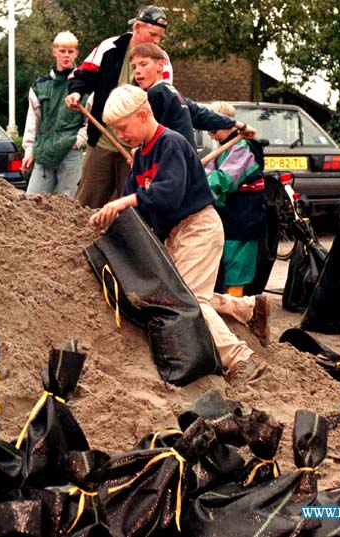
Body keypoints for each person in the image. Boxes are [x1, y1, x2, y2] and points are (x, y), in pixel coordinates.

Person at [89, 84, 271, 386]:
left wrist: (125, 200)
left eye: (123, 128)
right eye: (116, 131)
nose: (120, 136)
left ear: (144, 114)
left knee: (189, 302)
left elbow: (168, 195)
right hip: (176, 233)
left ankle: (242, 359)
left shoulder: (171, 144)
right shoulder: (141, 154)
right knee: (177, 291)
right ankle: (251, 308)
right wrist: (110, 213)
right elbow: (132, 202)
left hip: (199, 227)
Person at [64, 5, 171, 208]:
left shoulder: (161, 60)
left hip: (136, 150)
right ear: (138, 27)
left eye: (160, 37)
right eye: (153, 34)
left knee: (132, 211)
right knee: (84, 204)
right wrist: (76, 92)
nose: (157, 41)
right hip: (103, 141)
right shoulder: (109, 47)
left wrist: (144, 151)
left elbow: (162, 103)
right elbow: (84, 74)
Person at [128, 43, 256, 149]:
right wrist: (240, 125)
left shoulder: (156, 93)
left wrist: (138, 151)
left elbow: (148, 134)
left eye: (143, 64)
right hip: (187, 164)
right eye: (134, 67)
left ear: (160, 66)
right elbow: (202, 115)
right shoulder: (173, 93)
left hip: (173, 163)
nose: (138, 71)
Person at [204, 101, 267, 297]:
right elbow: (208, 173)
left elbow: (223, 180)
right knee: (225, 265)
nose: (210, 133)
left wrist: (195, 182)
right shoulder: (223, 148)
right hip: (229, 217)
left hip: (244, 219)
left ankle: (236, 311)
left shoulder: (243, 148)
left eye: (213, 127)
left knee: (236, 268)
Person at [21, 31, 89, 197]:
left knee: (70, 206)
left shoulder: (83, 85)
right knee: (32, 203)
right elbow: (33, 121)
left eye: (70, 51)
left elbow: (91, 120)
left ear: (76, 54)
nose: (66, 55)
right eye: (62, 51)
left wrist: (78, 141)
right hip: (44, 153)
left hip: (70, 152)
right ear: (54, 52)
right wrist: (29, 151)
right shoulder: (40, 85)